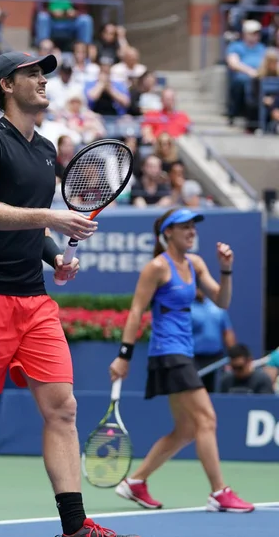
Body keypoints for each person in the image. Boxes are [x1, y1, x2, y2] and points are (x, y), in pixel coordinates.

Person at [0, 49, 142, 537]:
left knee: (62, 407)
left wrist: (54, 254)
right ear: (4, 85)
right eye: (31, 74)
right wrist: (50, 217)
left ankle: (75, 532)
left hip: (33, 300)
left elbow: (35, 226)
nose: (43, 80)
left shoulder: (45, 150)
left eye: (44, 74)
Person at [109, 207, 254, 513]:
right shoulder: (157, 268)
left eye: (193, 227)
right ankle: (219, 491)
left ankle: (135, 482)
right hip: (167, 353)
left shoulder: (196, 263)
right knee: (207, 419)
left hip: (183, 352)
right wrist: (124, 356)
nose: (192, 232)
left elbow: (222, 300)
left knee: (188, 429)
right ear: (168, 234)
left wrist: (226, 270)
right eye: (184, 227)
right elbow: (136, 312)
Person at [192, 288, 236, 393]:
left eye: (200, 286)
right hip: (194, 359)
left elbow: (227, 332)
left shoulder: (217, 307)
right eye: (196, 286)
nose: (199, 289)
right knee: (194, 391)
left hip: (216, 358)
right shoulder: (186, 308)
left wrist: (234, 355)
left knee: (214, 391)